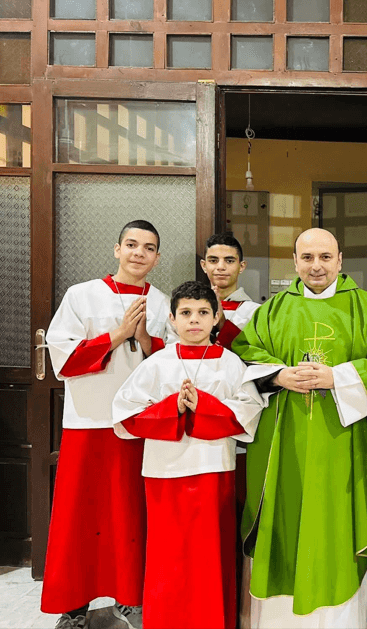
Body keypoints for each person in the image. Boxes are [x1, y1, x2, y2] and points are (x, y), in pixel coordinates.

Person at [231, 227, 367, 629]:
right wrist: (280, 375)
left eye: (325, 257)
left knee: (335, 524)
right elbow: (244, 356)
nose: (316, 266)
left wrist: (338, 377)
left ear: (340, 261)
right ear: (295, 261)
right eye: (307, 258)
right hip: (285, 444)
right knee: (286, 519)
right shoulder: (272, 310)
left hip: (343, 444)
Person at [111, 281, 265, 629]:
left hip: (214, 471)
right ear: (172, 318)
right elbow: (124, 414)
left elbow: (249, 412)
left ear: (216, 318)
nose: (194, 320)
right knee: (169, 558)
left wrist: (204, 406)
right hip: (164, 474)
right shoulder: (157, 364)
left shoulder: (230, 363)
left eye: (202, 313)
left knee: (209, 557)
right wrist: (172, 407)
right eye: (185, 313)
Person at [41, 220, 171, 629]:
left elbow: (172, 363)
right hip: (88, 421)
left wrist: (149, 342)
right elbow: (61, 357)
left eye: (148, 248)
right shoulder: (82, 294)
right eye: (131, 245)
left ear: (157, 257)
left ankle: (130, 598)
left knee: (130, 516)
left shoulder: (163, 301)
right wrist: (117, 335)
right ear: (116, 249)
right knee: (78, 518)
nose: (138, 253)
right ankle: (74, 605)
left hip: (137, 423)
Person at [201, 233, 260, 348]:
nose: (221, 267)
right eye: (213, 260)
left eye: (229, 261)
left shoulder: (256, 312)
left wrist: (221, 321)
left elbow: (254, 353)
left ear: (242, 266)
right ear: (204, 266)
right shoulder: (190, 308)